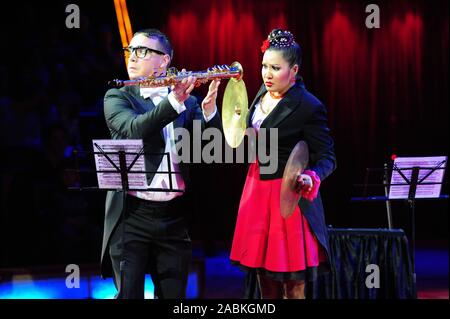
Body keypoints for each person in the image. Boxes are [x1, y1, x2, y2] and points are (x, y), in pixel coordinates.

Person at [101, 28, 221, 299]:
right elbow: (132, 130)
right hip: (131, 215)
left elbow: (208, 151)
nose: (132, 57)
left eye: (142, 51)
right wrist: (173, 101)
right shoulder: (118, 96)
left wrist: (209, 111)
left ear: (164, 61)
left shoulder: (189, 102)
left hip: (174, 218)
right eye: (130, 51)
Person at [229, 29, 336, 299]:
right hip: (256, 191)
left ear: (294, 69)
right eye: (264, 66)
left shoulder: (308, 106)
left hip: (287, 197)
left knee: (293, 284)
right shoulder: (259, 96)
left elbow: (328, 157)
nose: (267, 74)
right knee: (264, 278)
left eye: (275, 68)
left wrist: (312, 175)